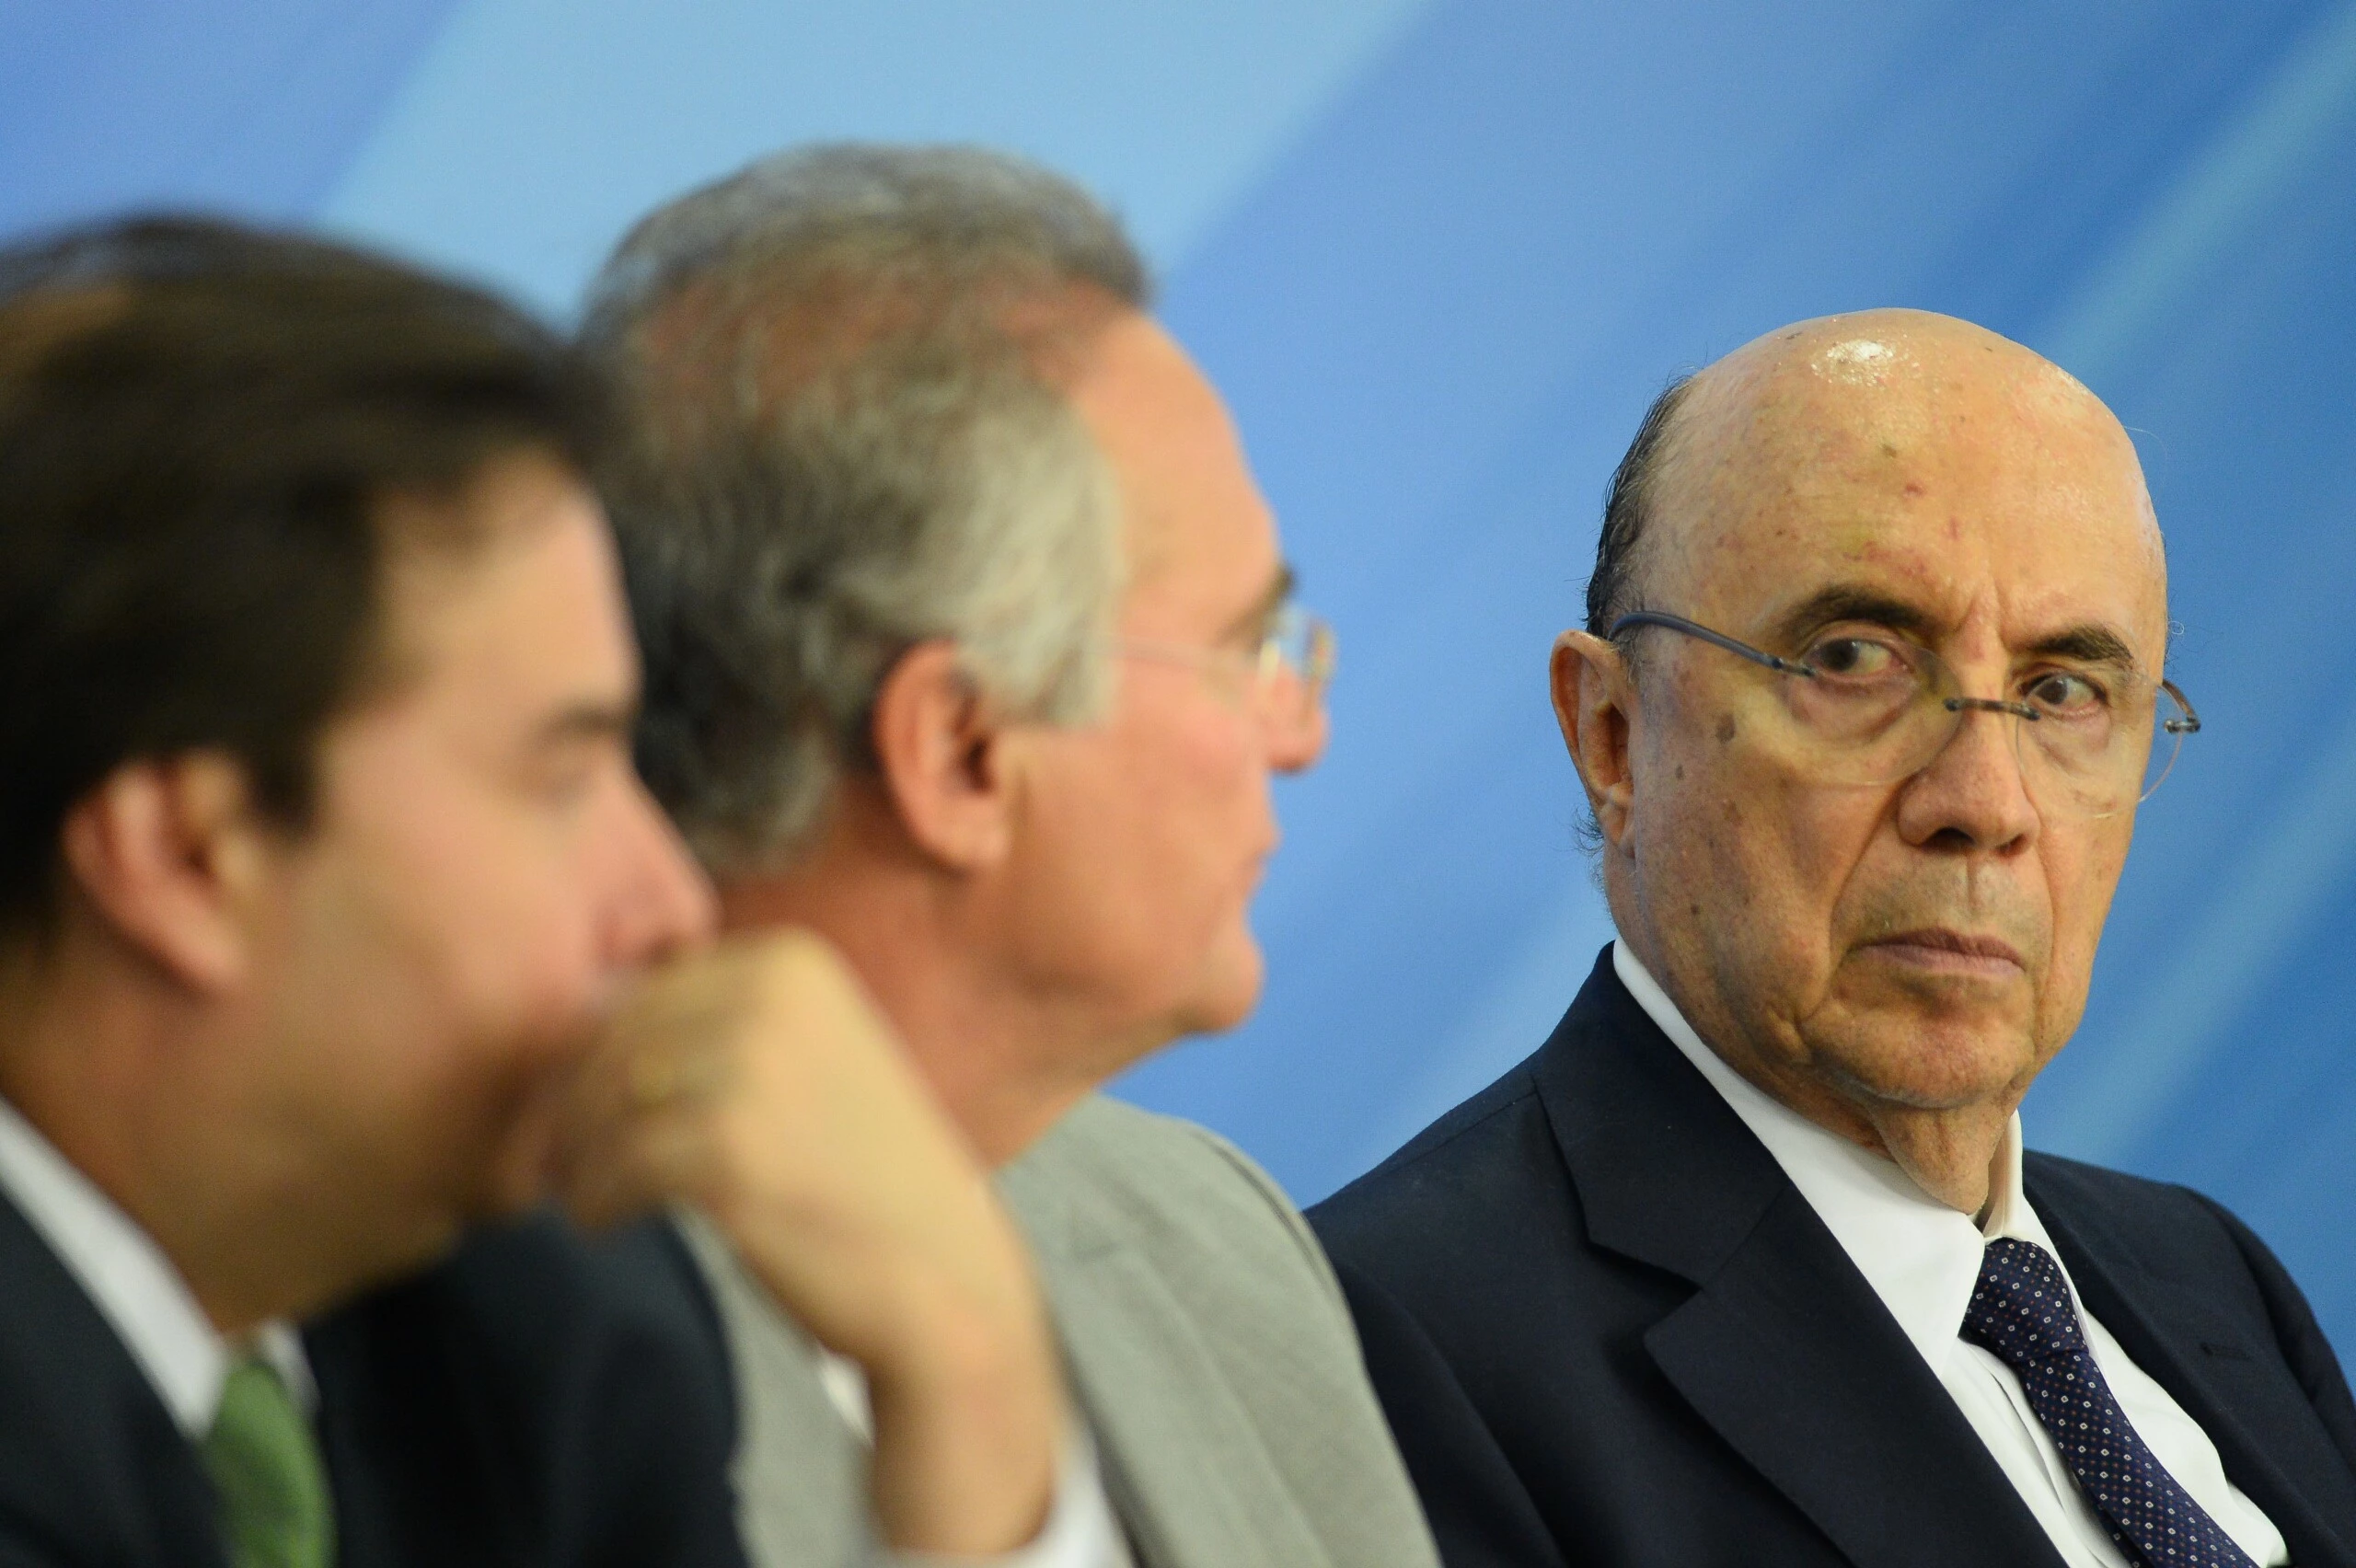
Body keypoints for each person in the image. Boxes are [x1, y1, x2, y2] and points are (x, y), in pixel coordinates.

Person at [0, 216, 1073, 1566]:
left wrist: (966, 1386)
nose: (676, 901)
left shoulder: (555, 1332)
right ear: (183, 857)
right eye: (558, 783)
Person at [1308, 309, 2356, 1568]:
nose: (1984, 804)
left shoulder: (2210, 1277)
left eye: (2062, 691)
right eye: (1854, 659)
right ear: (1612, 735)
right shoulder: (1377, 1351)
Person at [581, 144, 1442, 1568]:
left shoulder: (1212, 1241)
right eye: (1250, 653)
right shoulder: (469, 1340)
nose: (1300, 735)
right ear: (964, 750)